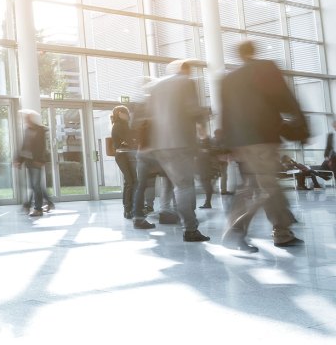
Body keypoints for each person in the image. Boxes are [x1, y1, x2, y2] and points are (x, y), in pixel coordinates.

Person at [220, 40, 307, 251]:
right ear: (253, 51)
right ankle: (237, 231)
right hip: (263, 137)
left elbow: (225, 114)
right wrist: (301, 126)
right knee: (267, 187)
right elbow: (285, 98)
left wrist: (226, 146)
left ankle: (281, 231)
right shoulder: (266, 67)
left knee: (252, 185)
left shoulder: (228, 79)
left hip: (241, 142)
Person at [131, 60, 209, 242]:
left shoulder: (155, 85)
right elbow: (192, 110)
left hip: (159, 145)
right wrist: (204, 116)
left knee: (176, 185)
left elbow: (146, 116)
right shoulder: (186, 82)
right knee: (184, 186)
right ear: (186, 70)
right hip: (179, 142)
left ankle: (178, 217)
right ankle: (190, 228)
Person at [16, 110, 49, 217]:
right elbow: (24, 147)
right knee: (35, 185)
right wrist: (19, 160)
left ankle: (37, 208)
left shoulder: (39, 130)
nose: (25, 120)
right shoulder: (27, 130)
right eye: (25, 118)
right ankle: (36, 204)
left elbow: (42, 147)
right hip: (29, 162)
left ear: (31, 118)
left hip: (37, 162)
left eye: (27, 118)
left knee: (36, 185)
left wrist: (40, 160)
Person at [110, 106, 137, 219]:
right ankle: (128, 209)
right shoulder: (118, 125)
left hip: (126, 154)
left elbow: (131, 138)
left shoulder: (124, 125)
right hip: (122, 155)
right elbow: (130, 139)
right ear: (120, 113)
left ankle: (130, 208)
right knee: (130, 181)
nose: (128, 115)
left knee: (131, 181)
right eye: (126, 113)